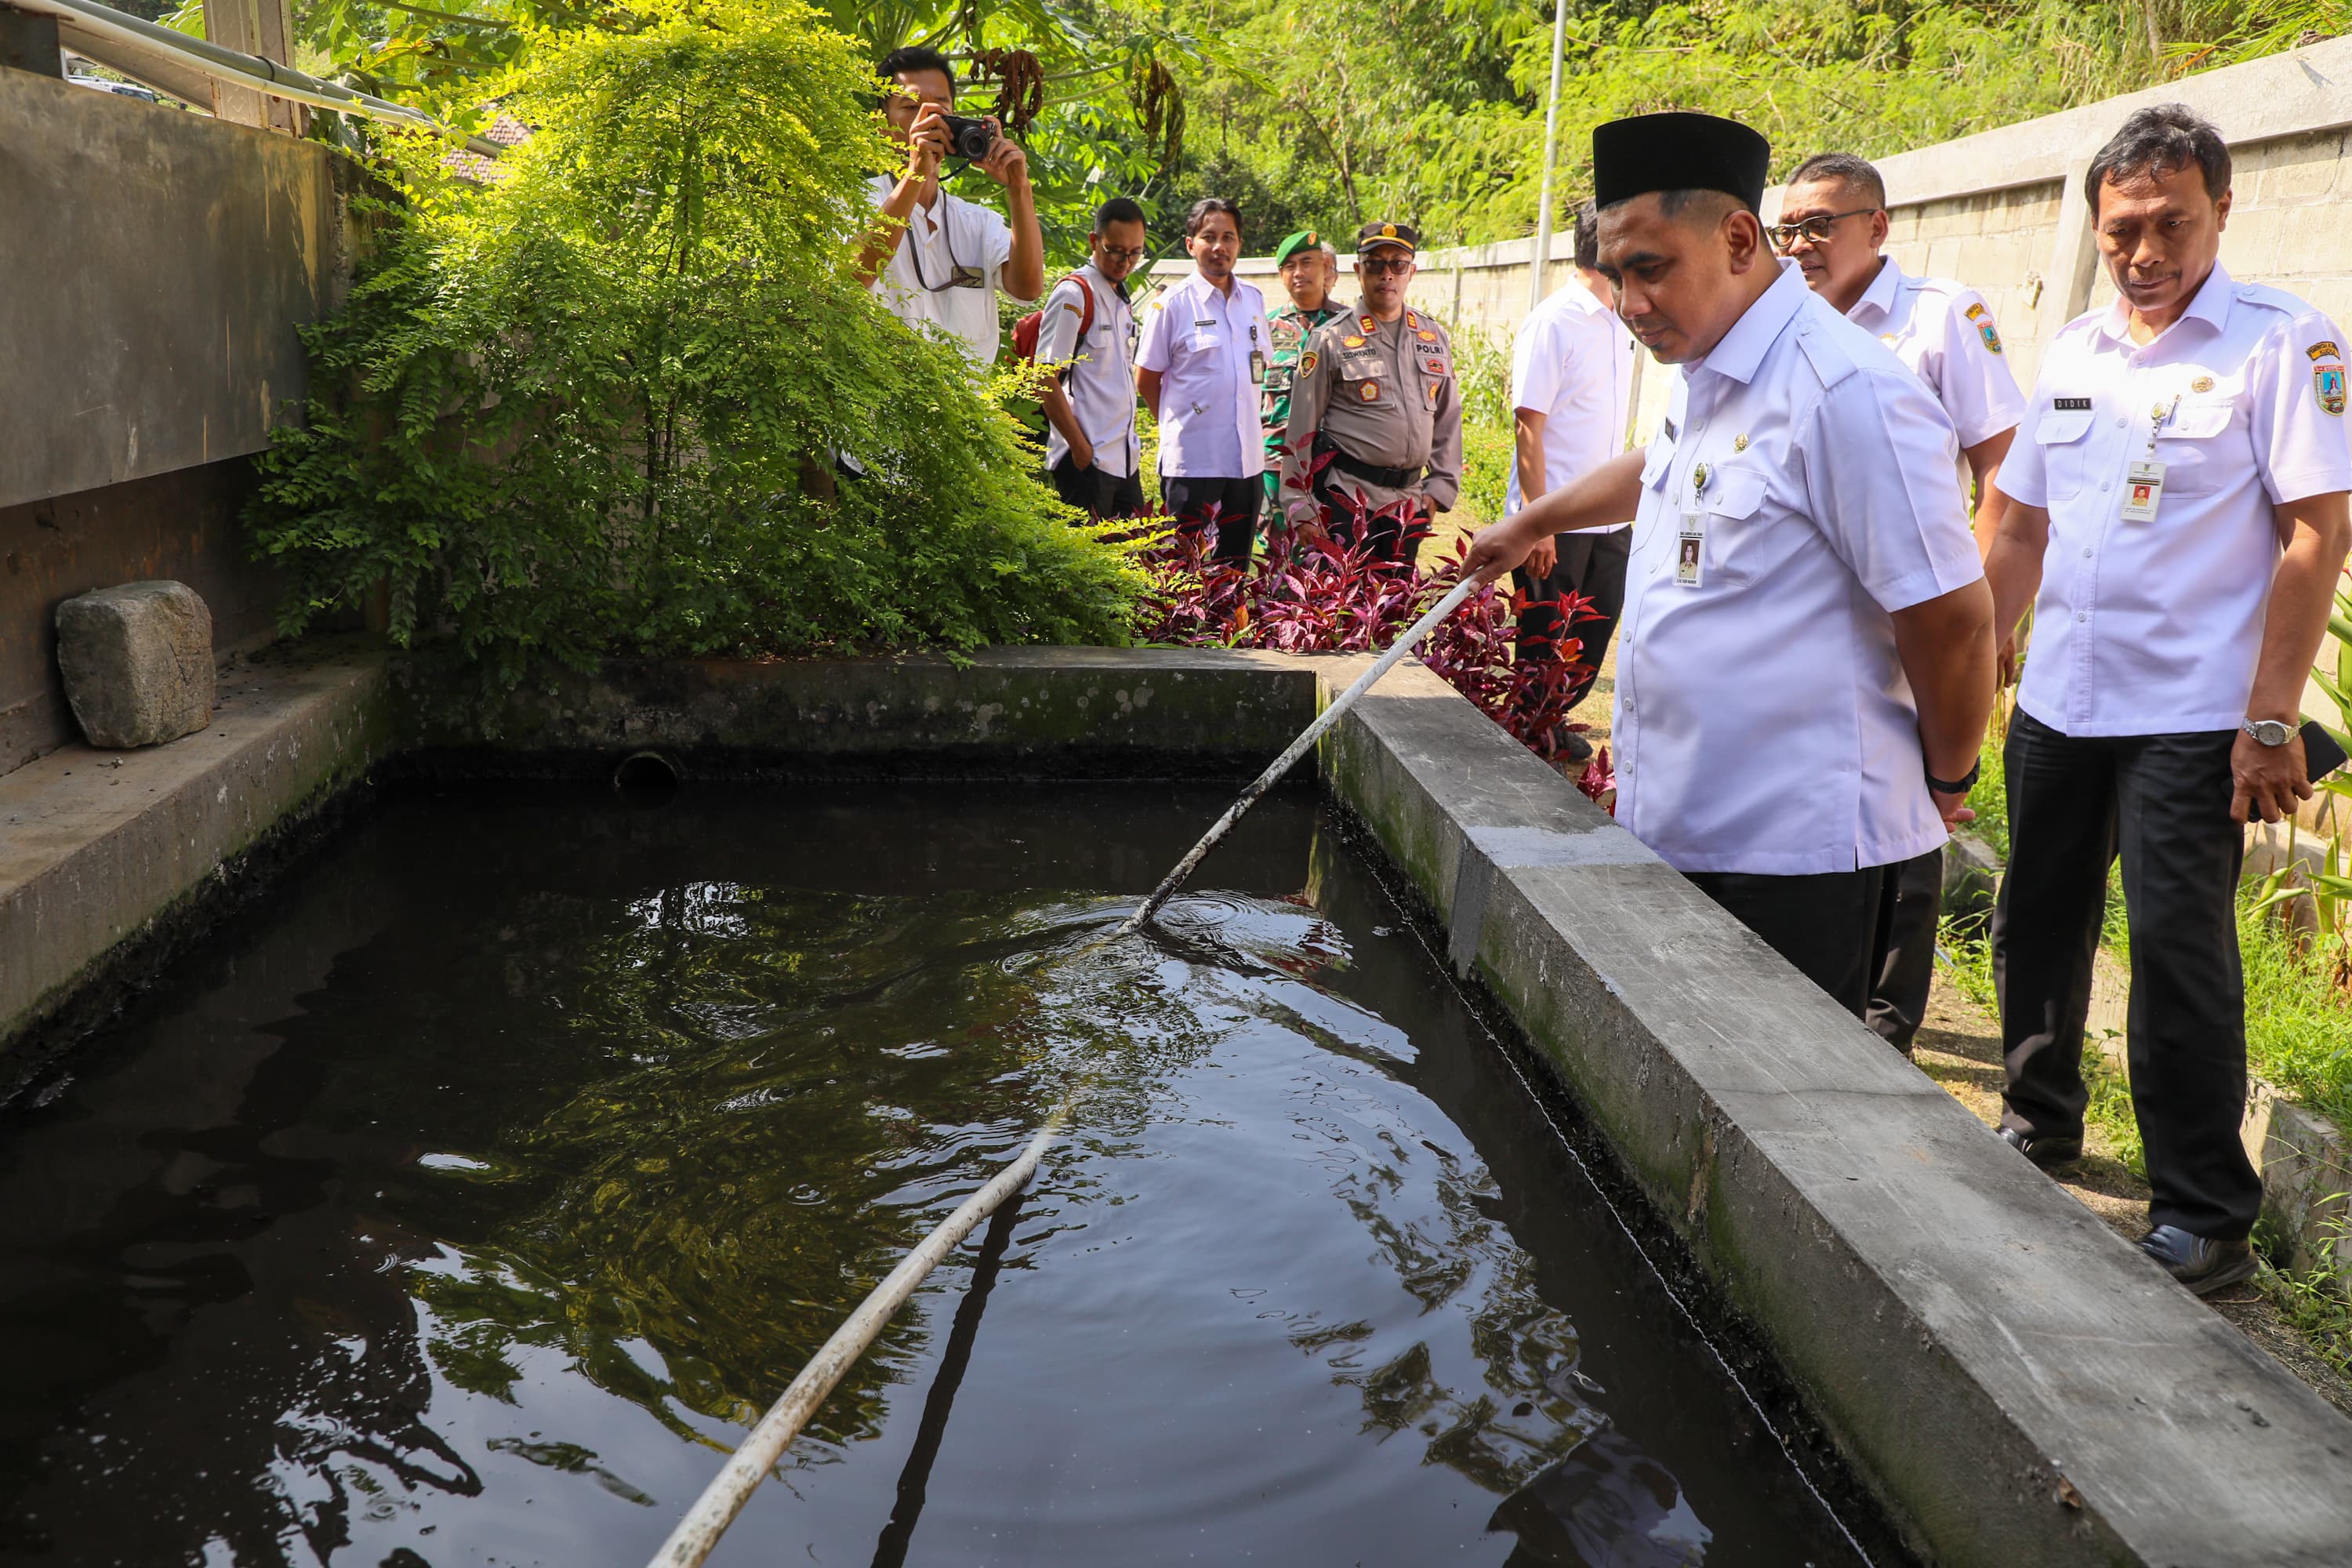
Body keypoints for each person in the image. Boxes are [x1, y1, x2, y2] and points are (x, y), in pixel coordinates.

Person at [1461, 111, 1997, 1018]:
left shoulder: (1845, 391)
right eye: (1617, 274)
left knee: (1785, 1091)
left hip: (1793, 860)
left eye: (1651, 268)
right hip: (1686, 830)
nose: (1630, 303)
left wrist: (1948, 778)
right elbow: (1665, 468)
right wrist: (1534, 520)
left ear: (1740, 240)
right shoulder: (1712, 363)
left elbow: (1951, 619)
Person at [1981, 104, 2352, 1294]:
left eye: (2171, 225)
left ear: (2222, 211)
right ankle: (2037, 1118)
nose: (2144, 252)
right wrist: (1978, 656)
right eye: (2122, 229)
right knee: (2037, 917)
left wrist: (2270, 718)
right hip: (2061, 696)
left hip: (2192, 715)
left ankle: (2203, 1211)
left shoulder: (2281, 344)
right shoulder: (2078, 350)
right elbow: (2020, 524)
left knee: (2178, 950)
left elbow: (2317, 534)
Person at [1775, 151, 2028, 1057]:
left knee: (1917, 810)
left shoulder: (1939, 316)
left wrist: (1990, 614)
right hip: (1819, 620)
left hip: (1920, 616)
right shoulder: (1785, 320)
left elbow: (2004, 467)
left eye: (1820, 225)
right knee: (1834, 799)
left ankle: (1885, 1028)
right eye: (1788, 228)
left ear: (1877, 227)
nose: (1800, 245)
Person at [1507, 198, 1639, 755]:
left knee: (1592, 633)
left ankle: (1552, 723)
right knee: (1544, 641)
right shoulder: (1553, 321)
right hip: (1557, 518)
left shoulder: (1621, 319)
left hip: (1608, 517)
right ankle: (1526, 736)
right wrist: (1537, 523)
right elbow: (1528, 427)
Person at [1281, 221, 1464, 563]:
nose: (1387, 274)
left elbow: (1448, 419)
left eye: (1398, 264)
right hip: (1346, 499)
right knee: (1344, 595)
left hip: (1410, 504)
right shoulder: (1330, 338)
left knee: (1398, 594)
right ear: (1358, 270)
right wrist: (1300, 505)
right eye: (1375, 264)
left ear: (1411, 271)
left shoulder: (1432, 336)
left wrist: (1439, 489)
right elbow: (1300, 428)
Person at [852, 45, 1044, 368]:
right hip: (879, 399)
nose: (928, 120)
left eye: (940, 109)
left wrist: (1019, 189)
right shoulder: (855, 202)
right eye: (911, 107)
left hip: (966, 402)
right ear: (881, 124)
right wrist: (916, 173)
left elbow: (1028, 289)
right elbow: (856, 275)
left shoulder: (979, 223)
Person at [1137, 199, 1273, 564]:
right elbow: (1146, 378)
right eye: (1209, 237)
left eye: (1228, 237)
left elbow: (1258, 366)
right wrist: (1178, 424)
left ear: (1239, 244)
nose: (1219, 246)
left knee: (1235, 570)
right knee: (1185, 570)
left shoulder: (1253, 300)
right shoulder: (1173, 304)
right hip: (1194, 462)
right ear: (1190, 244)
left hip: (1246, 462)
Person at [1037, 197, 1149, 518]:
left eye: (1135, 253)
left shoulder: (1120, 297)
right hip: (1086, 465)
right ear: (1093, 241)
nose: (1125, 262)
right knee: (1086, 552)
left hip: (1124, 462)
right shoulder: (1074, 294)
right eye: (1116, 251)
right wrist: (1080, 449)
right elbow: (1043, 379)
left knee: (1136, 550)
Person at [1263, 230, 1352, 506]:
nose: (1299, 273)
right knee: (1274, 535)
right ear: (1281, 275)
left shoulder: (1351, 327)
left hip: (1338, 466)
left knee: (1333, 534)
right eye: (1290, 266)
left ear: (1325, 267)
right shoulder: (1264, 329)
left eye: (1307, 263)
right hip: (1276, 464)